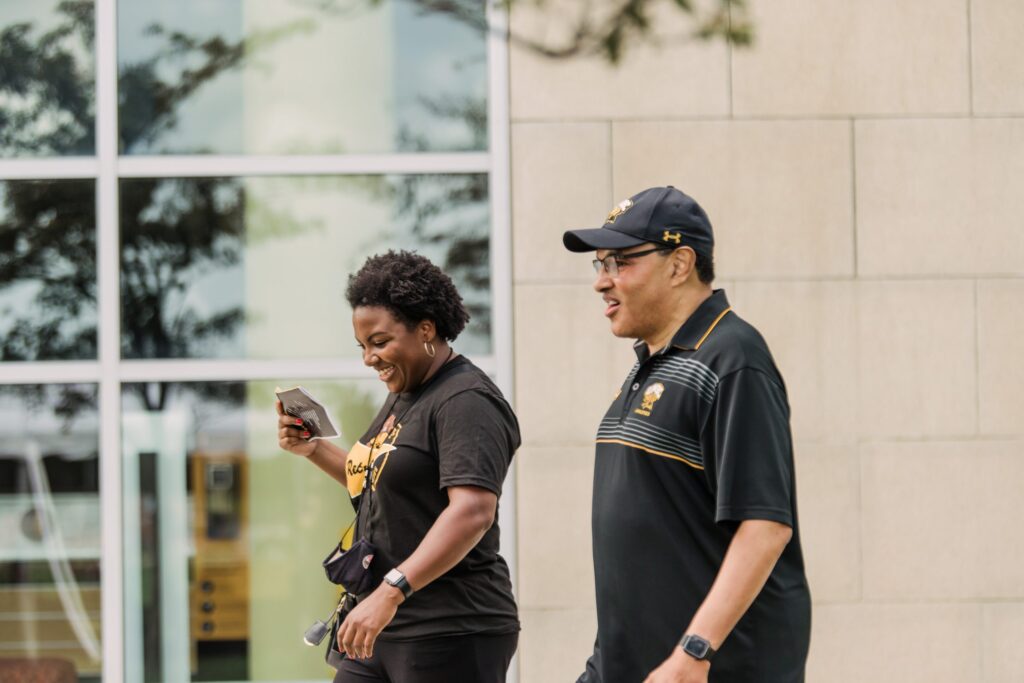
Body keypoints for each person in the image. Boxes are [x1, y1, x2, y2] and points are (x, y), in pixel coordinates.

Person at [562, 186, 812, 683]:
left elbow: (765, 527)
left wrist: (694, 653)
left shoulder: (734, 360)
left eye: (619, 262)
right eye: (600, 265)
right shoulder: (653, 367)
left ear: (679, 264)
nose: (602, 283)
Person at [276, 250, 520, 683]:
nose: (369, 358)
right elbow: (375, 480)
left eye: (380, 342)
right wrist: (313, 448)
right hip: (379, 624)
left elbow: (473, 512)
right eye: (363, 346)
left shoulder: (465, 401)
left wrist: (392, 590)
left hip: (450, 627)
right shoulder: (407, 394)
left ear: (426, 329)